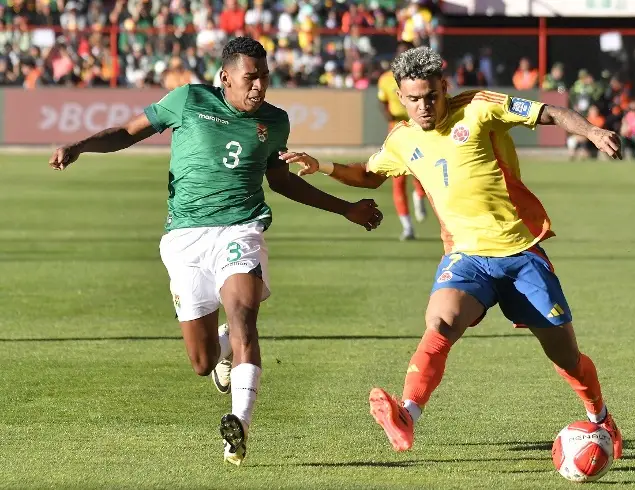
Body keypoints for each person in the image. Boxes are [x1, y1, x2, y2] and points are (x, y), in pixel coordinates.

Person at [48, 37, 383, 466]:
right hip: (185, 239)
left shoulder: (275, 122)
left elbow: (279, 181)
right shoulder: (188, 99)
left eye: (264, 76)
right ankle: (221, 349)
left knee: (243, 313)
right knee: (202, 361)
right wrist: (78, 146)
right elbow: (128, 132)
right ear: (226, 77)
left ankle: (239, 424)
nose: (259, 86)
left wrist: (345, 209)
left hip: (241, 230)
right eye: (250, 78)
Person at [281, 46, 623, 458]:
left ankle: (600, 417)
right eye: (413, 99)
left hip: (520, 252)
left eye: (431, 96)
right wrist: (324, 167)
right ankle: (407, 414)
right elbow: (370, 176)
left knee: (565, 356)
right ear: (400, 97)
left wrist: (591, 131)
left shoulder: (479, 107)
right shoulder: (403, 139)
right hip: (466, 257)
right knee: (440, 323)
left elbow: (549, 111)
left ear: (445, 87)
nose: (423, 107)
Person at [377, 41, 427, 240]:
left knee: (422, 172)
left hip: (419, 128)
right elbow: (381, 101)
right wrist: (388, 117)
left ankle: (420, 195)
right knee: (397, 179)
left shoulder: (421, 77)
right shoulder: (386, 79)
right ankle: (407, 226)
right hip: (397, 129)